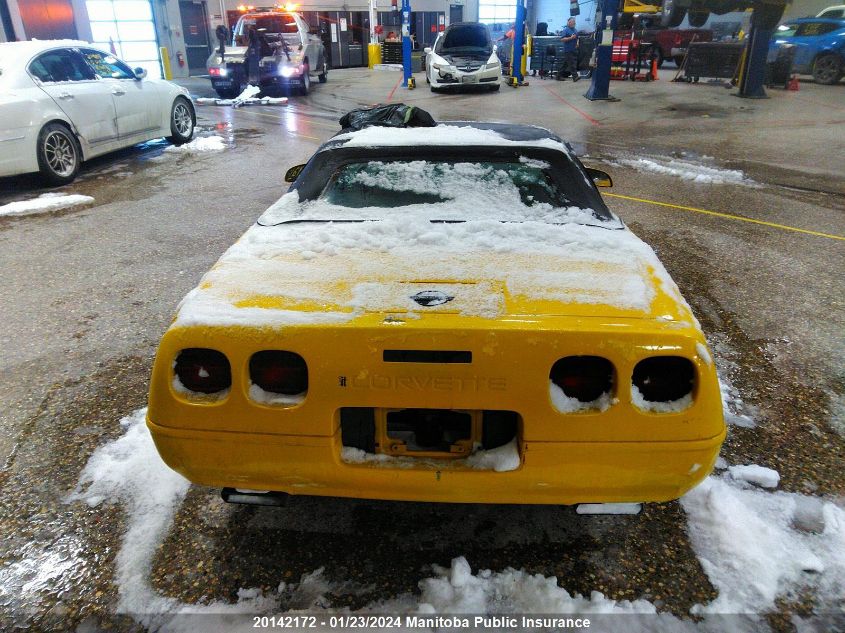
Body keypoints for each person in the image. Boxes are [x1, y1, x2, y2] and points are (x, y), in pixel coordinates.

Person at [558, 17, 580, 82]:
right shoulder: (566, 30)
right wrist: (570, 38)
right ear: (569, 22)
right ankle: (575, 77)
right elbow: (562, 39)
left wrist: (577, 43)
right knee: (572, 64)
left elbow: (577, 38)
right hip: (568, 50)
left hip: (574, 49)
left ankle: (558, 76)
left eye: (574, 22)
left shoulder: (575, 30)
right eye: (572, 22)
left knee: (565, 64)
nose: (574, 23)